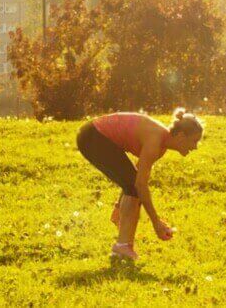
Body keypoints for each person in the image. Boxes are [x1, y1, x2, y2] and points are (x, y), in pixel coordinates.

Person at [77, 108, 203, 261]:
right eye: (194, 141)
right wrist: (156, 223)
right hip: (93, 135)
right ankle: (122, 247)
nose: (195, 147)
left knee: (132, 187)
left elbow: (136, 177)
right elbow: (139, 185)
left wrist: (119, 206)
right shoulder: (155, 141)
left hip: (92, 134)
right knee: (134, 189)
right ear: (182, 136)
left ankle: (123, 246)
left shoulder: (160, 145)